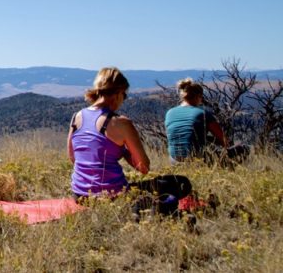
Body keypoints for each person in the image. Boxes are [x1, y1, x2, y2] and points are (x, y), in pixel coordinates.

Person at [68, 68, 191, 212]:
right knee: (181, 183)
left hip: (79, 195)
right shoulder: (121, 123)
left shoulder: (77, 117)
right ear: (118, 93)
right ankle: (150, 208)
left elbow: (73, 158)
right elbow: (144, 168)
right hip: (113, 195)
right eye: (124, 95)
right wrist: (125, 152)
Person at [165, 78, 249, 165]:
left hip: (174, 160)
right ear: (198, 96)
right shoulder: (202, 113)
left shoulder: (169, 113)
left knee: (206, 140)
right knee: (244, 148)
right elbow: (223, 140)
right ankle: (229, 169)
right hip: (197, 159)